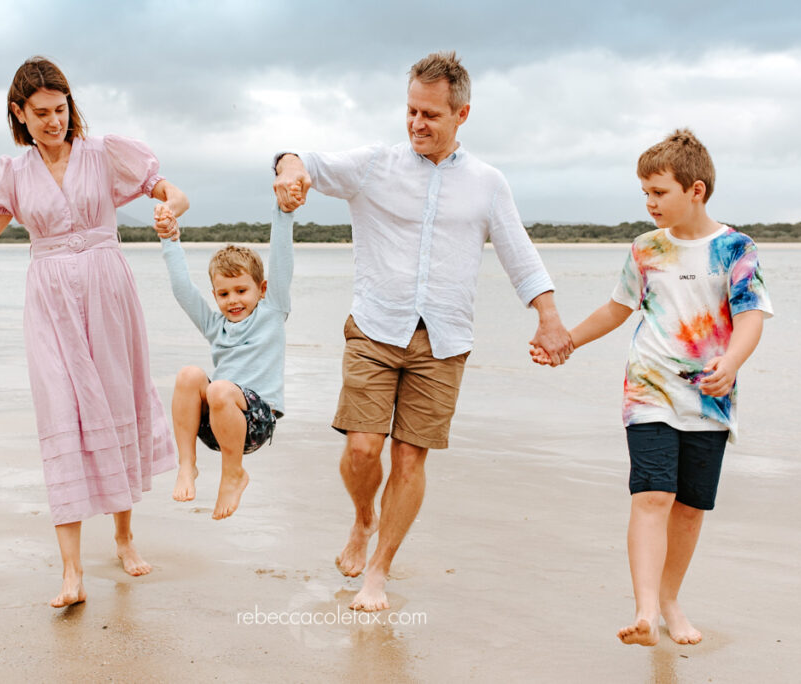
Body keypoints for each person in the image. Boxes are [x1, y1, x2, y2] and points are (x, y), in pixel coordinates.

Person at [272, 51, 572, 611]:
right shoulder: (374, 165)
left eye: (430, 114)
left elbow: (519, 254)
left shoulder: (487, 183)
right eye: (411, 110)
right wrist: (290, 175)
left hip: (444, 341)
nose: (416, 123)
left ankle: (378, 572)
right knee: (364, 449)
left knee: (410, 458)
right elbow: (300, 158)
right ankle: (363, 518)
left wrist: (548, 317)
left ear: (462, 114)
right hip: (374, 329)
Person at [0, 56, 188, 608]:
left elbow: (171, 192)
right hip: (50, 305)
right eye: (42, 113)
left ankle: (123, 536)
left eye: (62, 108)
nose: (55, 121)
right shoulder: (15, 175)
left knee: (115, 402)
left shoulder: (102, 154)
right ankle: (71, 572)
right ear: (18, 114)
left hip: (108, 293)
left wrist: (172, 209)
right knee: (61, 414)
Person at [532, 129, 773, 645]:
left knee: (688, 509)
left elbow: (751, 318)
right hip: (649, 391)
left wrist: (730, 363)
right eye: (645, 193)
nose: (649, 203)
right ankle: (643, 612)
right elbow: (617, 309)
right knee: (653, 495)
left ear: (696, 190)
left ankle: (669, 601)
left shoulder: (736, 248)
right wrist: (565, 341)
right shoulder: (645, 249)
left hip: (710, 398)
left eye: (659, 192)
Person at [156, 200, 296, 520]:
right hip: (218, 427)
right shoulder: (214, 326)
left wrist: (283, 212)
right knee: (190, 374)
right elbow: (182, 289)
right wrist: (169, 239)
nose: (233, 300)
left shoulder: (272, 312)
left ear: (261, 289)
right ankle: (187, 465)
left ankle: (233, 474)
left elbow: (283, 257)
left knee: (219, 388)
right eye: (224, 294)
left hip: (256, 422)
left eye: (241, 290)